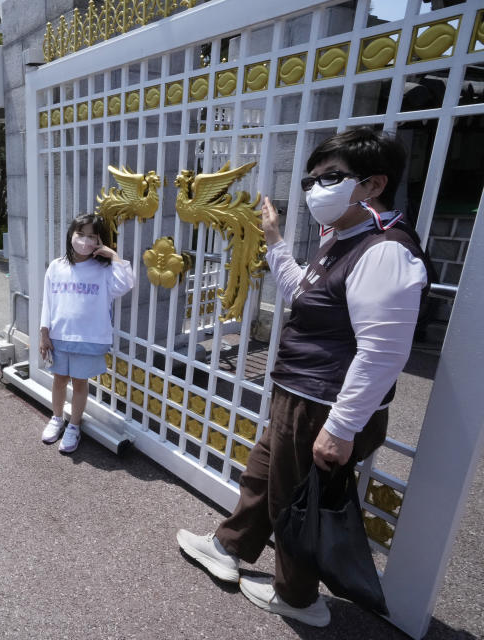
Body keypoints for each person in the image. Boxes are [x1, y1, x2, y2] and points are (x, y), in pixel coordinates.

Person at [176, 129, 432, 627]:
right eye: (312, 179)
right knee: (265, 476)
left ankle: (298, 598)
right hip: (300, 394)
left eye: (331, 177)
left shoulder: (385, 251)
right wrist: (274, 241)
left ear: (374, 183)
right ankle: (229, 546)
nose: (316, 189)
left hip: (324, 405)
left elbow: (383, 352)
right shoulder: (343, 239)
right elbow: (305, 294)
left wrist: (340, 427)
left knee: (295, 500)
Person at [38, 213, 134, 454]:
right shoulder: (57, 266)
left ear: (100, 241)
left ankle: (74, 425)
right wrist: (44, 332)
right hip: (60, 336)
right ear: (71, 234)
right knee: (59, 380)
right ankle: (57, 418)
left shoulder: (104, 270)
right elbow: (47, 302)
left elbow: (124, 285)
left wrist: (113, 256)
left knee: (80, 383)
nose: (84, 240)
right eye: (80, 234)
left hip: (88, 338)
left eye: (92, 236)